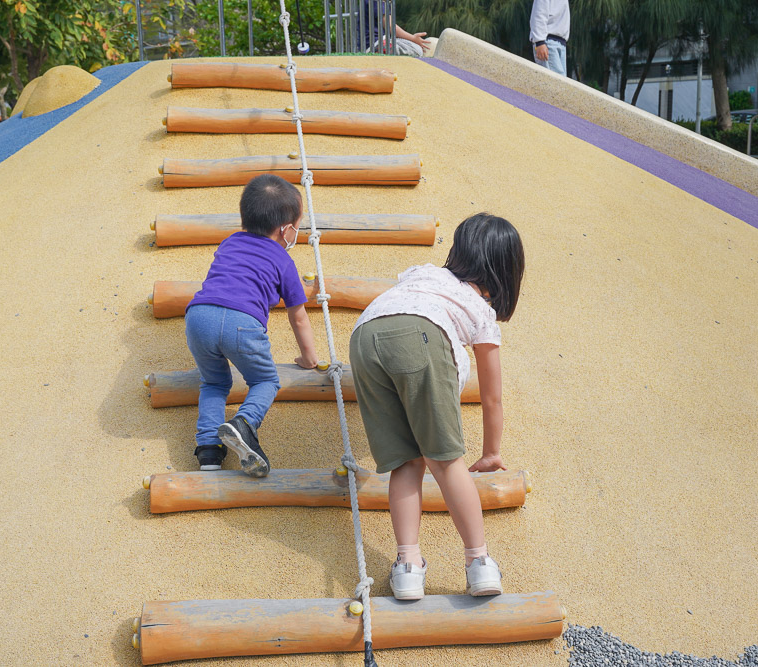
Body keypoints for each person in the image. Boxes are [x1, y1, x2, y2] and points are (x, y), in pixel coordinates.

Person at [349, 213, 524, 600]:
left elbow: (396, 313)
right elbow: (491, 395)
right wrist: (492, 452)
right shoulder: (481, 310)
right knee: (445, 461)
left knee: (406, 462)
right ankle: (479, 564)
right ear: (506, 268)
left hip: (364, 337)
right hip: (421, 334)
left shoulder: (423, 274)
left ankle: (408, 566)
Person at [184, 174, 319, 476]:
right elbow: (298, 317)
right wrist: (309, 359)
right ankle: (244, 422)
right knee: (265, 382)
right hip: (242, 324)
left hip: (198, 316)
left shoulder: (229, 241)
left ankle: (208, 452)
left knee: (215, 383)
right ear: (286, 230)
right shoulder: (284, 261)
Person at [361, 1, 430, 57]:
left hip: (371, 44)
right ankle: (382, 49)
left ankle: (384, 48)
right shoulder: (378, 2)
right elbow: (390, 26)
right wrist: (413, 38)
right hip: (376, 44)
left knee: (409, 45)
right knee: (417, 50)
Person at [530, 0, 570, 76]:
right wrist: (540, 41)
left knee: (561, 83)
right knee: (557, 83)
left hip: (560, 42)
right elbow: (539, 13)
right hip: (548, 42)